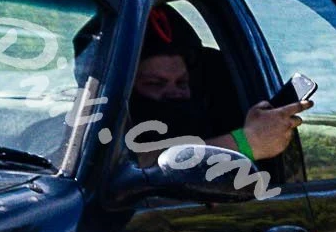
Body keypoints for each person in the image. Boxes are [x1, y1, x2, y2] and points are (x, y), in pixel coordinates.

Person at [128, 9, 308, 164]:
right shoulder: (105, 131)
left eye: (182, 83)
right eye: (155, 84)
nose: (174, 93)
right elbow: (131, 169)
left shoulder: (206, 118)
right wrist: (247, 142)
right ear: (126, 91)